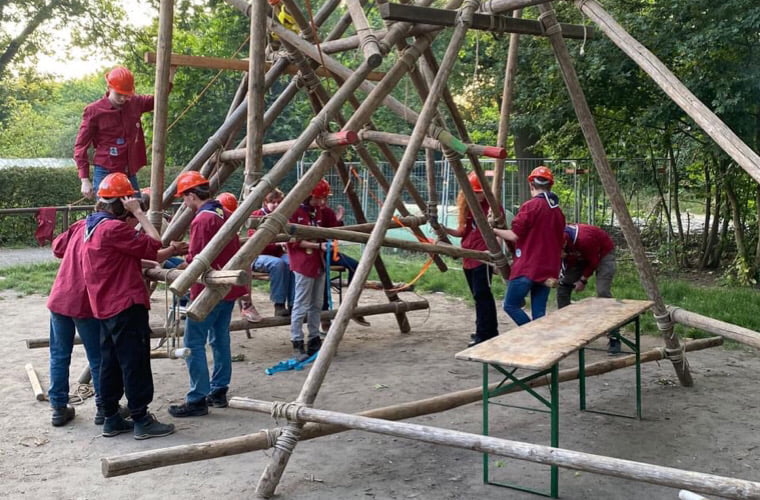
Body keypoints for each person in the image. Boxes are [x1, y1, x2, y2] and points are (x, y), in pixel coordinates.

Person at [81, 173, 181, 439]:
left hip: (103, 305)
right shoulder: (114, 228)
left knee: (110, 363)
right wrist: (138, 213)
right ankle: (141, 419)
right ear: (120, 204)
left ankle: (111, 417)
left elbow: (121, 258)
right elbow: (154, 242)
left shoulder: (91, 225)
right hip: (125, 304)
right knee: (135, 362)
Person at [168, 172, 249, 417]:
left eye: (184, 199)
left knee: (193, 342)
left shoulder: (202, 219)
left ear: (192, 195)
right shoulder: (222, 213)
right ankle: (218, 390)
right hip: (228, 288)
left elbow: (199, 259)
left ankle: (197, 398)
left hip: (208, 290)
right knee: (219, 338)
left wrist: (183, 264)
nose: (184, 204)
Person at [74, 66, 175, 199]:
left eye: (126, 95)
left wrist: (171, 73)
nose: (122, 98)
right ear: (109, 88)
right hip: (105, 171)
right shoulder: (94, 111)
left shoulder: (135, 103)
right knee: (107, 213)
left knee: (136, 212)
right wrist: (84, 180)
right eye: (119, 94)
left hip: (128, 173)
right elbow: (80, 147)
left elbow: (159, 99)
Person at [46, 220, 103, 427]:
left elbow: (58, 247)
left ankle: (59, 409)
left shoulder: (82, 224)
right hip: (84, 301)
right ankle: (104, 408)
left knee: (59, 355)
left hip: (61, 296)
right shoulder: (111, 228)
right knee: (98, 356)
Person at [493, 166, 565, 326]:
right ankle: (540, 342)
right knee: (539, 313)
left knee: (510, 305)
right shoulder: (558, 211)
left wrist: (494, 230)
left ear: (531, 185)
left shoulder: (530, 206)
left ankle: (531, 333)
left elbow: (514, 235)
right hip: (549, 268)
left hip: (528, 267)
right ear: (550, 185)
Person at [445, 172, 502, 347]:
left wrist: (495, 255)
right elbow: (462, 231)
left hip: (483, 258)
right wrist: (444, 229)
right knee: (477, 296)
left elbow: (499, 231)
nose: (476, 196)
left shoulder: (492, 208)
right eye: (473, 192)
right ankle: (483, 329)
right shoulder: (467, 205)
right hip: (468, 257)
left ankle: (486, 333)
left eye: (478, 192)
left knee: (482, 295)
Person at [286, 179, 341, 361]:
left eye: (323, 198)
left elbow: (329, 229)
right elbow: (292, 240)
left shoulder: (318, 211)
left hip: (319, 262)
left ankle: (314, 338)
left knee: (316, 304)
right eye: (319, 198)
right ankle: (297, 341)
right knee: (301, 304)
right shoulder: (294, 211)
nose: (322, 202)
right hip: (304, 263)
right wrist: (318, 246)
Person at [558, 223, 620, 354]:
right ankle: (567, 332)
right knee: (563, 286)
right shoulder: (557, 239)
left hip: (602, 254)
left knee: (603, 292)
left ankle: (614, 337)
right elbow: (563, 265)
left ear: (564, 244)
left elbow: (593, 262)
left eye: (560, 251)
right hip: (579, 255)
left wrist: (583, 280)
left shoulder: (584, 239)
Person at [248, 188, 294, 317]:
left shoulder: (283, 218)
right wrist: (276, 243)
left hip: (278, 254)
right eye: (272, 202)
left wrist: (287, 243)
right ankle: (278, 304)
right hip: (258, 256)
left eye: (279, 202)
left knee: (293, 262)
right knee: (278, 264)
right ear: (265, 202)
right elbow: (255, 241)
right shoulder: (257, 215)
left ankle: (293, 302)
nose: (276, 205)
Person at [216, 192, 262, 322]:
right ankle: (245, 302)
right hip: (214, 262)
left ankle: (246, 303)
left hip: (229, 260)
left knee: (244, 266)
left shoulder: (232, 224)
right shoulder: (210, 219)